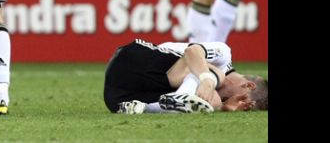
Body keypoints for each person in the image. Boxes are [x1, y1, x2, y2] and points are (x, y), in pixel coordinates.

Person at [104, 39, 267, 114]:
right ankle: (177, 99)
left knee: (212, 101)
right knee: (217, 76)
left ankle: (148, 108)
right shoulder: (224, 54)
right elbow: (193, 52)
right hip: (133, 61)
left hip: (119, 96)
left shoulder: (216, 100)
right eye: (241, 99)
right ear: (248, 86)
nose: (230, 101)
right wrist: (207, 80)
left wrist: (223, 108)